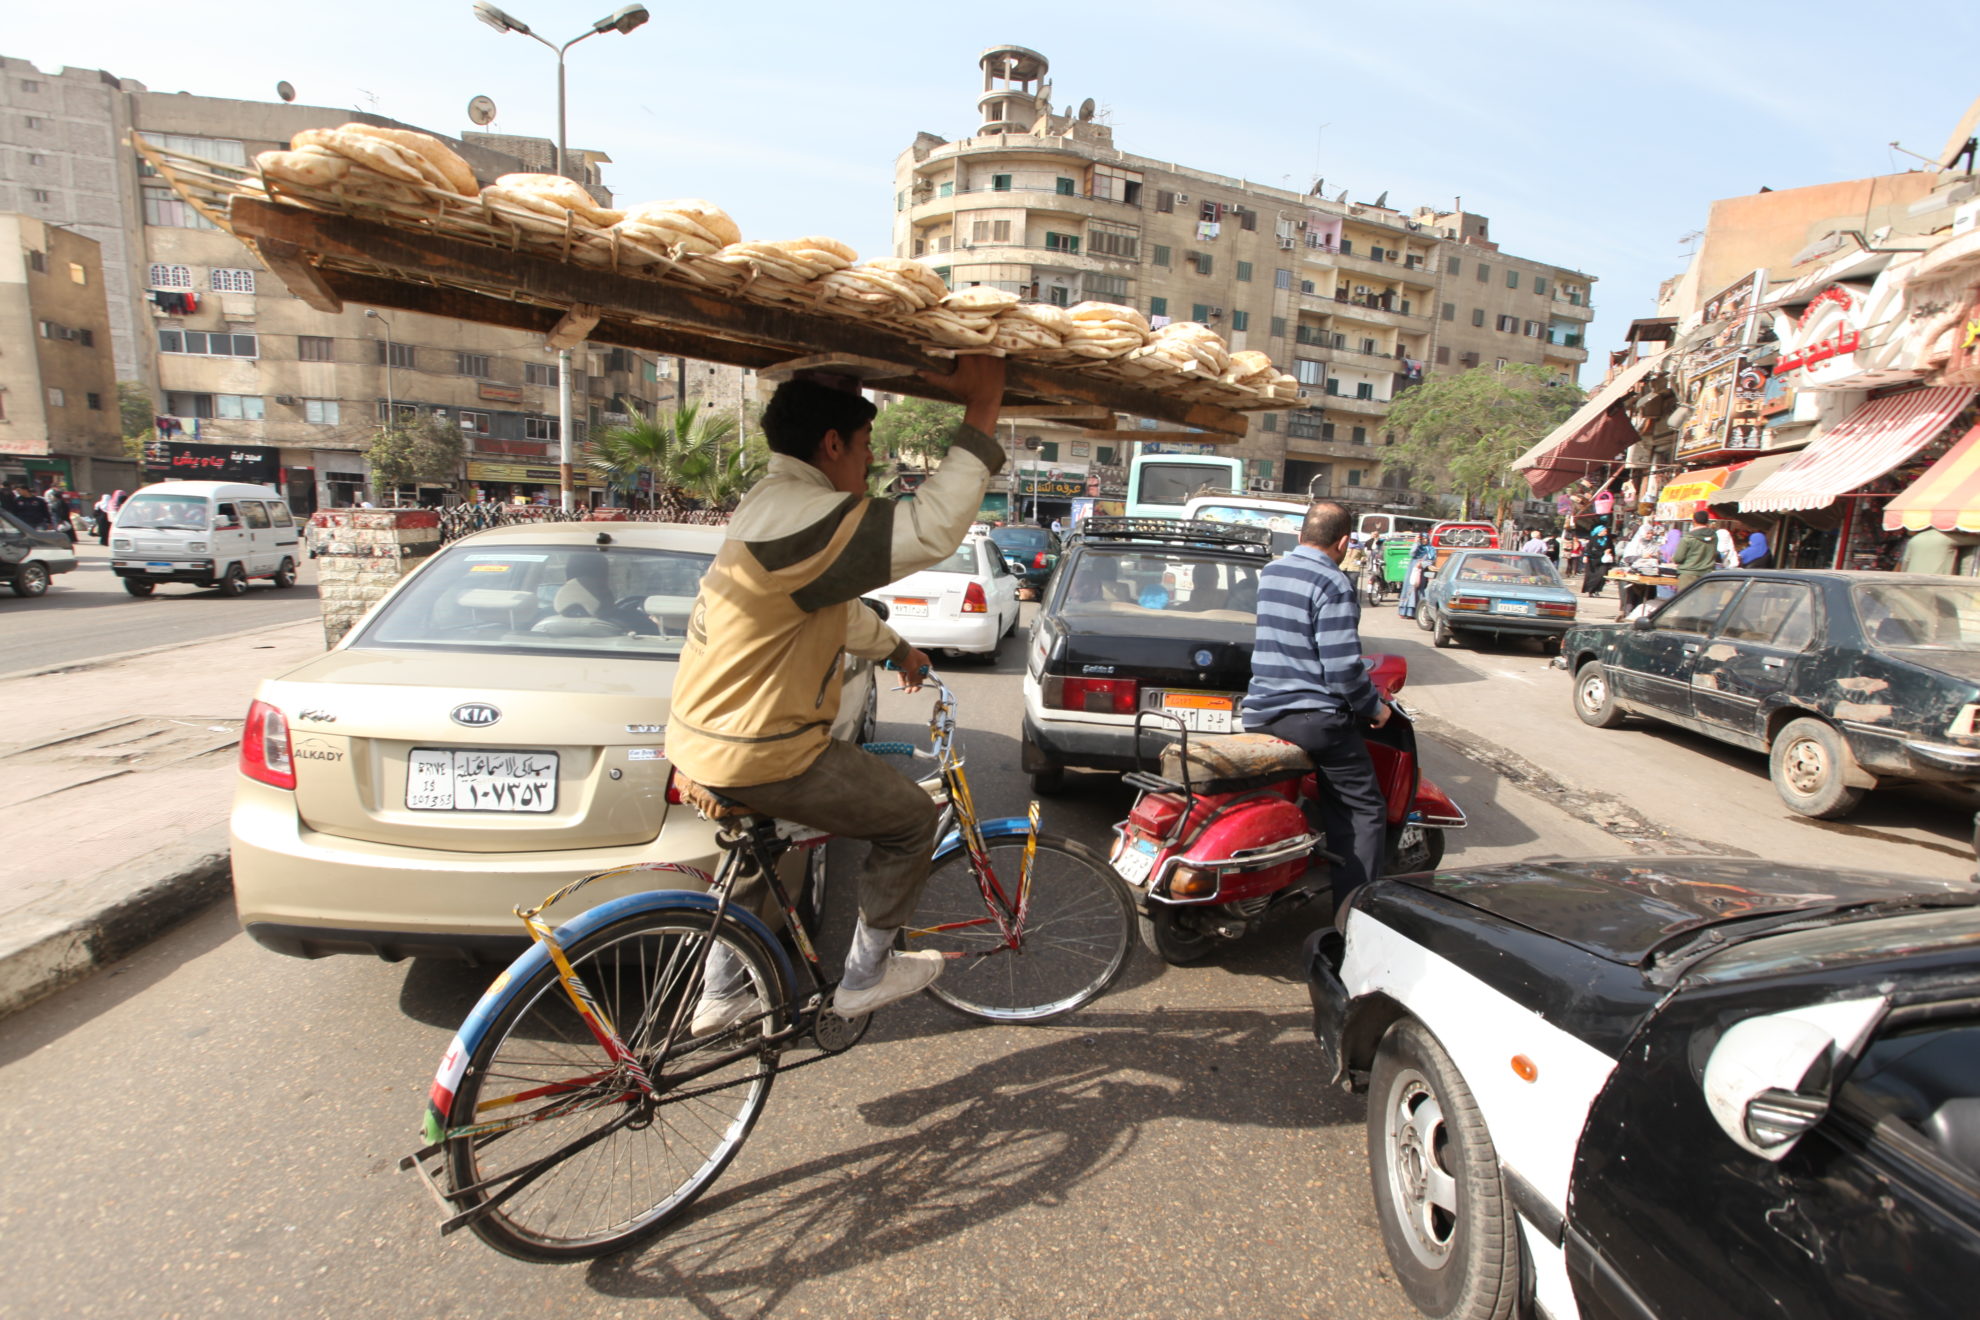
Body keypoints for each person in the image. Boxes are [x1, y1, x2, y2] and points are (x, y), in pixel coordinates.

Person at [667, 358, 1008, 1031]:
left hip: (702, 741)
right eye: (865, 448)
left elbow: (834, 612)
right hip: (760, 748)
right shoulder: (807, 516)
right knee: (910, 819)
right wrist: (982, 412)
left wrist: (899, 648)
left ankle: (719, 991)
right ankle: (866, 976)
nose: (869, 463)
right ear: (832, 445)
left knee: (759, 846)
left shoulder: (768, 507)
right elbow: (934, 528)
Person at [1240, 500, 1392, 922]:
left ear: (1303, 533)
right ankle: (1356, 916)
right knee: (1363, 809)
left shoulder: (1272, 573)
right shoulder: (1333, 583)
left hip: (1261, 712)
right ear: (1344, 541)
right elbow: (1343, 668)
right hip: (1312, 720)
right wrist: (1373, 708)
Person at [1671, 510, 1719, 591]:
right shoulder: (1714, 537)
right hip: (1707, 575)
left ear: (1694, 521)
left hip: (1688, 575)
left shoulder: (1688, 538)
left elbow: (1678, 558)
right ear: (1707, 521)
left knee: (1685, 601)